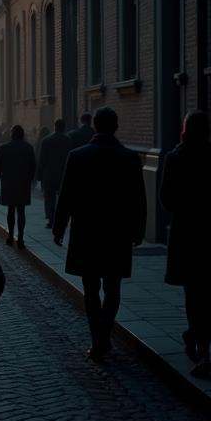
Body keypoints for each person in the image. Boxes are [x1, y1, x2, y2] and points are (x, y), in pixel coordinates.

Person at [52, 107, 146, 363]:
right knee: (113, 287)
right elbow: (139, 198)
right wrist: (139, 229)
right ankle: (104, 333)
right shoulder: (129, 158)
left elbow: (66, 195)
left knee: (90, 288)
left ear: (94, 126)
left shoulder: (78, 156)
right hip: (117, 232)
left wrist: (59, 227)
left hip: (87, 231)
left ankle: (98, 338)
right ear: (115, 127)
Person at [159, 110, 211, 379]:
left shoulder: (175, 158)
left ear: (185, 131)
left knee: (192, 291)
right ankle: (201, 342)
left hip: (186, 231)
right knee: (208, 290)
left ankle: (196, 338)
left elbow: (166, 199)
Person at [0, 125, 36, 248]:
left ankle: (11, 235)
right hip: (23, 183)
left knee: (10, 210)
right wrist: (30, 179)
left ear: (11, 135)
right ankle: (21, 237)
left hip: (9, 183)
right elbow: (33, 165)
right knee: (21, 211)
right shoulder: (28, 147)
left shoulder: (4, 147)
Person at [37, 118, 72, 228]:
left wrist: (39, 174)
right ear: (64, 127)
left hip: (49, 174)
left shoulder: (46, 140)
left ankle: (51, 220)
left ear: (55, 126)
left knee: (49, 198)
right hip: (64, 174)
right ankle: (62, 221)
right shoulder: (69, 140)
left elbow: (41, 159)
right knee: (63, 199)